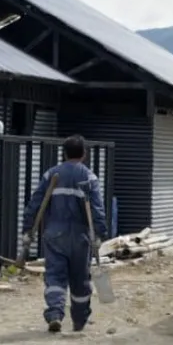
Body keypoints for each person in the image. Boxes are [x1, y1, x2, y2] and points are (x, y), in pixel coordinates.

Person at [22, 134, 108, 333]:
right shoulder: (89, 177)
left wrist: (27, 229)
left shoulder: (52, 175)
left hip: (55, 235)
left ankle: (54, 313)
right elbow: (97, 209)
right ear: (84, 154)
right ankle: (79, 320)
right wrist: (100, 234)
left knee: (55, 276)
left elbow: (35, 203)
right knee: (80, 280)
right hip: (80, 238)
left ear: (64, 153)